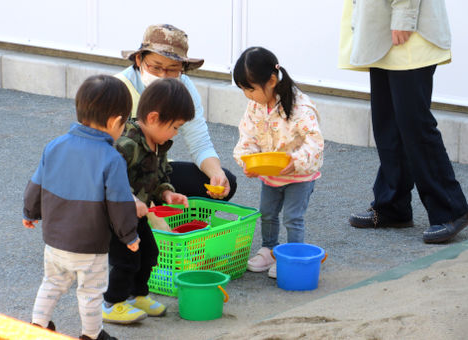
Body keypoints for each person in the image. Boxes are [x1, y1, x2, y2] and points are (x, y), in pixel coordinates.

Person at [23, 75, 142, 340]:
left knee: (52, 283)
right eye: (124, 123)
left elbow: (36, 184)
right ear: (114, 122)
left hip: (54, 242)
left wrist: (30, 213)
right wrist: (129, 236)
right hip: (90, 246)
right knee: (90, 292)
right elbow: (120, 204)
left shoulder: (54, 146)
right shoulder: (111, 159)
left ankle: (37, 326)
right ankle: (92, 335)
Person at [339, 0, 468, 243]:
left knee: (414, 125)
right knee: (388, 125)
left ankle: (451, 208)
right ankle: (392, 205)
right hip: (381, 32)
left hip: (408, 31)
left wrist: (403, 18)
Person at [102, 78, 193, 323]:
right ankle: (112, 302)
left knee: (150, 252)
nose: (176, 133)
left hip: (138, 214)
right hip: (118, 215)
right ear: (153, 118)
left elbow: (160, 175)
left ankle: (136, 295)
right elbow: (108, 178)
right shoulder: (127, 143)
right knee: (126, 259)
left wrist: (166, 192)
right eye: (175, 127)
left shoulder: (158, 144)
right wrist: (130, 199)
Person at [114, 23, 237, 201]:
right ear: (139, 60)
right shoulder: (117, 88)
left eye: (172, 69)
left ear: (182, 68)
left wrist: (216, 174)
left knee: (226, 182)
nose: (163, 76)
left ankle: (175, 223)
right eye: (155, 67)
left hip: (157, 173)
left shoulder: (183, 87)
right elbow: (98, 158)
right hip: (118, 175)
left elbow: (199, 142)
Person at [232, 47, 324, 278]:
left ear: (272, 80)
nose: (247, 95)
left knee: (293, 217)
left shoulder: (299, 106)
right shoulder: (255, 106)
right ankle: (270, 250)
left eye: (250, 89)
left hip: (298, 174)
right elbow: (247, 135)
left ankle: (293, 255)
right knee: (267, 213)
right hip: (271, 173)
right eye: (243, 89)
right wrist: (247, 159)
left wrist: (298, 161)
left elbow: (314, 141)